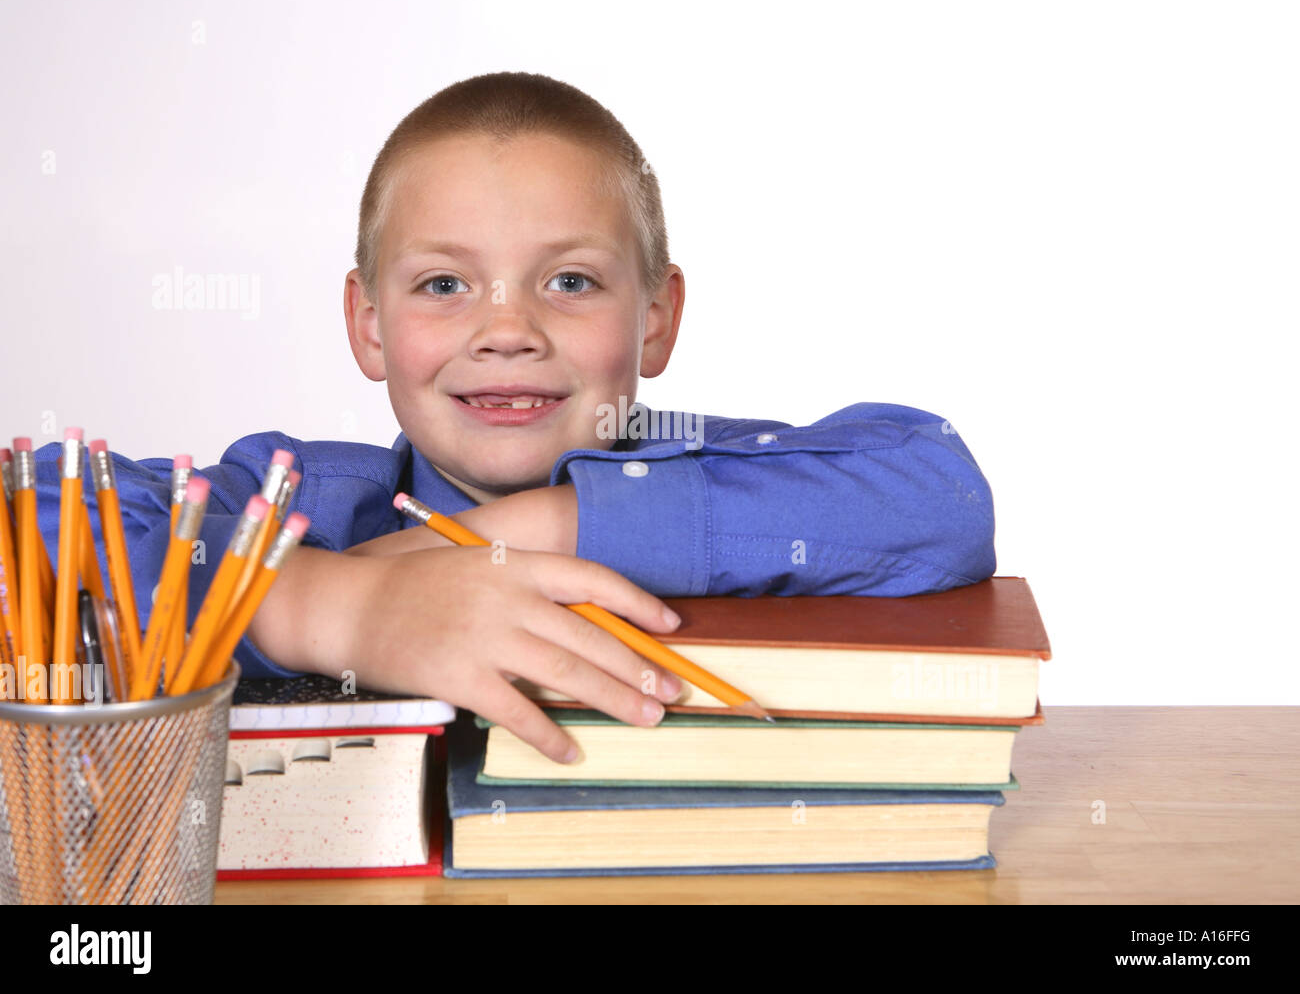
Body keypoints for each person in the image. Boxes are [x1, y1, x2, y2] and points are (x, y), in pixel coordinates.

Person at [33, 72, 996, 763]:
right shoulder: (303, 507)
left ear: (655, 318)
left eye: (569, 280)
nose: (507, 329)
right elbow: (34, 527)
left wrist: (543, 524)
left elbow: (941, 489)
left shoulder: (713, 464)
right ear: (368, 324)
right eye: (444, 283)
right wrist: (331, 602)